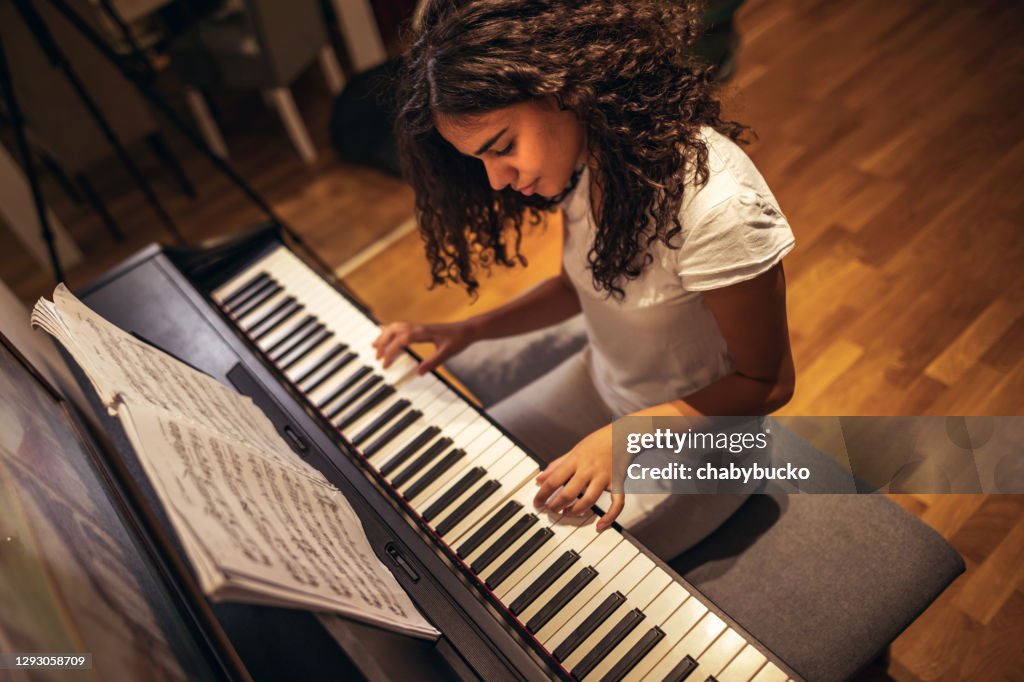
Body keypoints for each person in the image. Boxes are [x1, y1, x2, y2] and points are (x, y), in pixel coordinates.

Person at [372, 0, 796, 560]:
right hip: (604, 383)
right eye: (480, 160)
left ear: (563, 90)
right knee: (455, 478)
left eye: (501, 147)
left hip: (707, 447)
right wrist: (468, 330)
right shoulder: (590, 158)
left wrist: (623, 438)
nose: (496, 180)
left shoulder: (719, 210)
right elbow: (581, 286)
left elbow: (767, 383)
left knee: (520, 560)